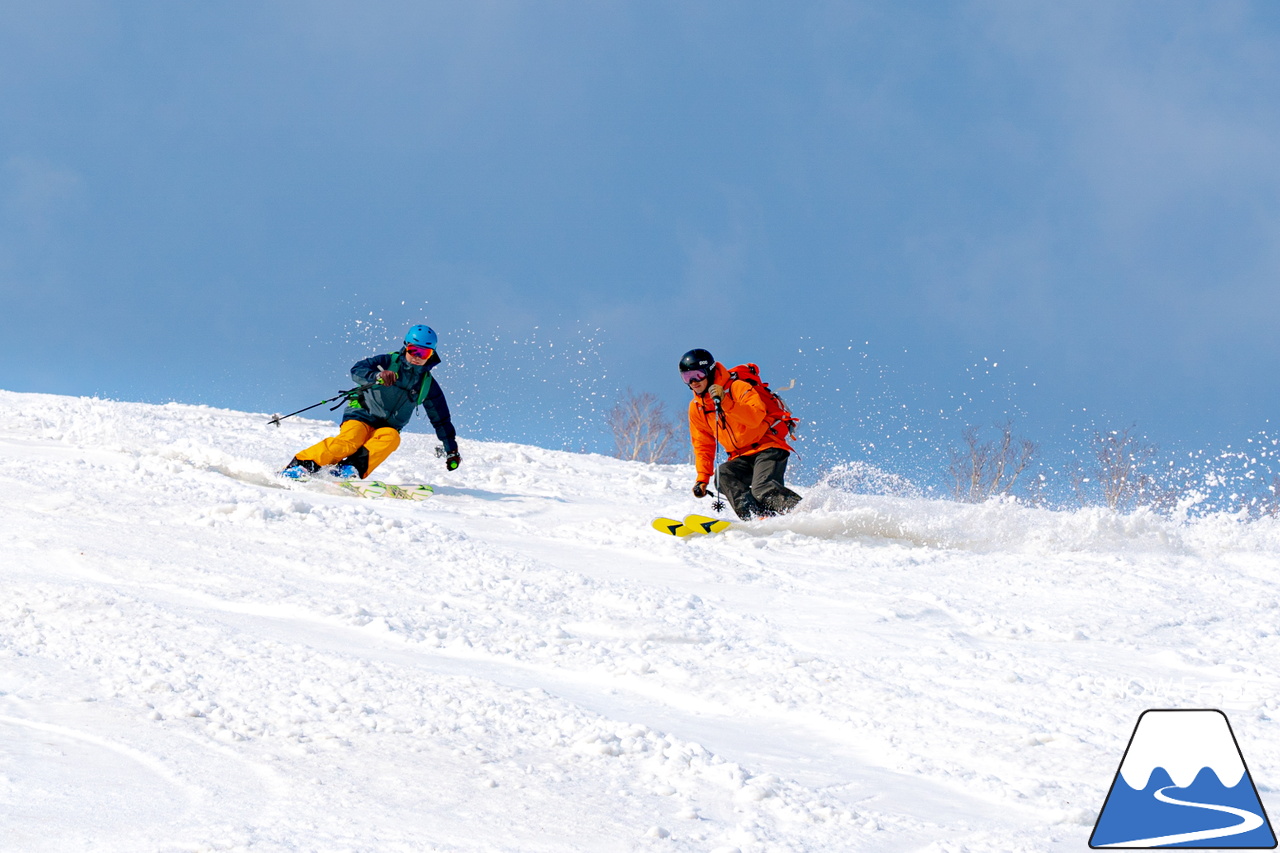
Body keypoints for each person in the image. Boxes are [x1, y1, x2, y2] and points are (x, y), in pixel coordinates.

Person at [282, 324, 461, 479]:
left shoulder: (427, 384)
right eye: (414, 350)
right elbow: (357, 370)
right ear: (406, 346)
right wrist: (377, 375)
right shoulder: (387, 361)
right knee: (351, 440)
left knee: (391, 439)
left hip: (388, 427)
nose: (417, 356)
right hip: (362, 413)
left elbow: (441, 420)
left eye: (424, 353)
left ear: (431, 355)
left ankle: (348, 471)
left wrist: (451, 450)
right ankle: (301, 465)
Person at [680, 348, 801, 520]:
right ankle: (758, 517)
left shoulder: (737, 387)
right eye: (687, 377)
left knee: (763, 488)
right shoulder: (697, 408)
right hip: (741, 456)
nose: (693, 381)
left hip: (767, 446)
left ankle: (803, 512)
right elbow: (703, 444)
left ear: (709, 371)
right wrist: (702, 479)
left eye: (697, 375)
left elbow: (755, 417)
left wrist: (726, 402)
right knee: (724, 475)